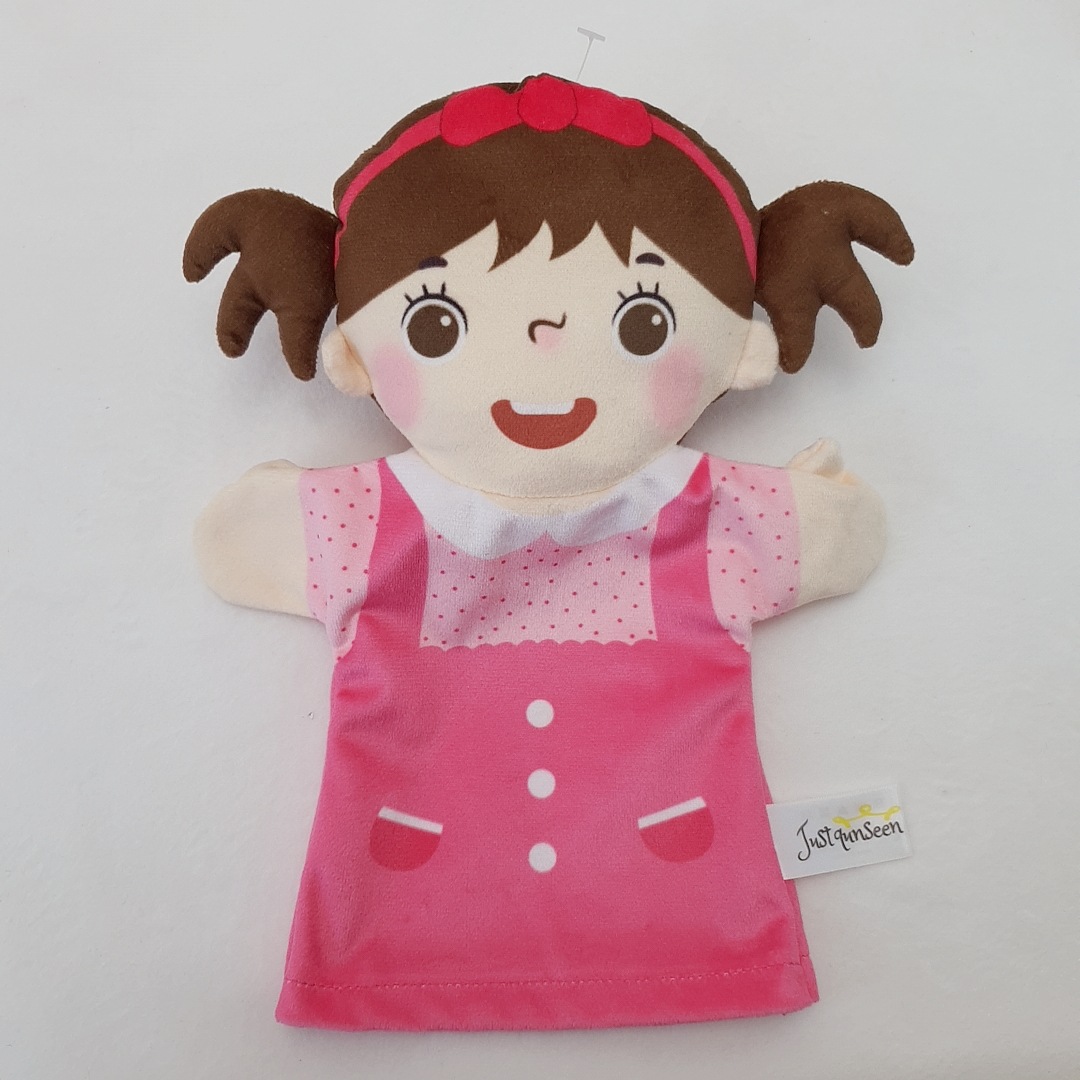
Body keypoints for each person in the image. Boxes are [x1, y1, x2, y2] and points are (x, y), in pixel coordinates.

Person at [184, 73, 913, 1031]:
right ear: (354, 356)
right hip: (515, 917)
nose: (542, 357)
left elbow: (232, 538)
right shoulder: (710, 516)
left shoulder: (693, 512)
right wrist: (823, 495)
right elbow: (848, 535)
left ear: (739, 349)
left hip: (641, 907)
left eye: (642, 322)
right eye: (438, 322)